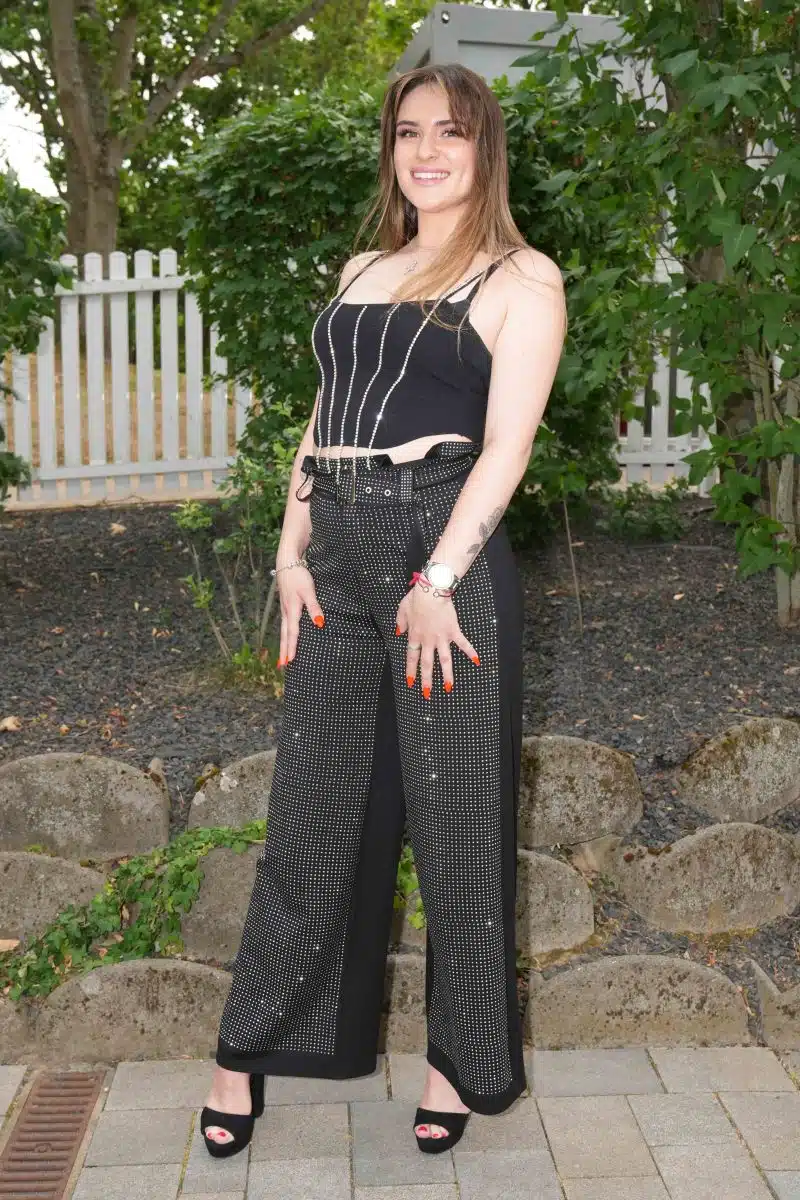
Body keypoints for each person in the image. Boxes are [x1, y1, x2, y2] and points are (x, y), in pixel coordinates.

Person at [201, 61, 566, 1159]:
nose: (426, 151)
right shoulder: (364, 268)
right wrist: (289, 553)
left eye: (449, 132)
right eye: (408, 132)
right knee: (309, 817)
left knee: (456, 832)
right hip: (340, 558)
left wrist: (438, 581)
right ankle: (245, 1054)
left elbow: (506, 448)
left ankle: (458, 1065)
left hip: (440, 555)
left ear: (483, 147)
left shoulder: (520, 277)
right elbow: (323, 426)